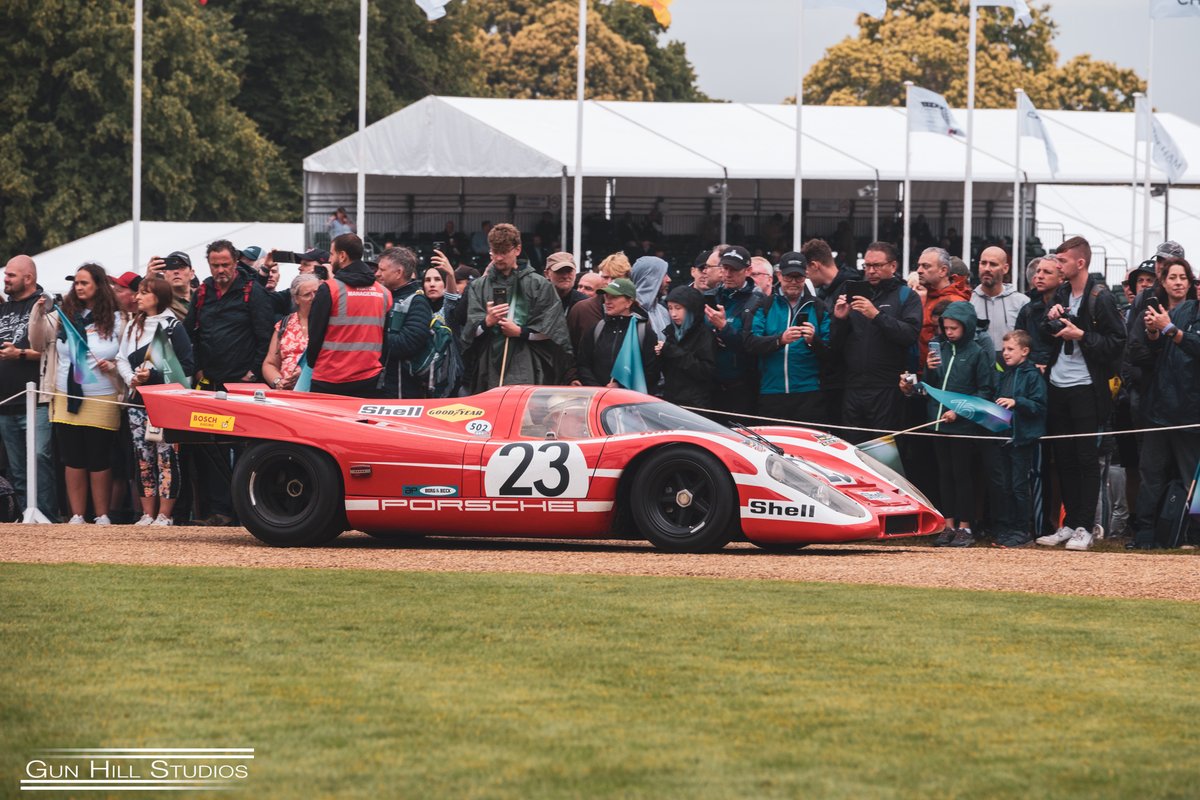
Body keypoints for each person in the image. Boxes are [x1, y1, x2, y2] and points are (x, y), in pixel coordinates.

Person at [1034, 236, 1126, 551]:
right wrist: (1050, 319)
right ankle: (1070, 523)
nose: (1058, 266)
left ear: (1080, 262)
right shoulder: (1061, 292)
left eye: (1062, 261)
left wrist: (1082, 335)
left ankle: (1085, 526)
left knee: (1086, 458)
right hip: (1058, 385)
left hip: (1087, 388)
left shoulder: (1101, 297)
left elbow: (1117, 343)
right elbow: (1045, 334)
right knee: (1064, 459)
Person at [184, 239, 276, 526]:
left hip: (243, 387)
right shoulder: (203, 292)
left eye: (225, 264)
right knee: (214, 449)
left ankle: (249, 511)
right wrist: (198, 369)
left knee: (246, 449)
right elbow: (189, 334)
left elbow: (265, 336)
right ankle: (221, 511)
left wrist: (253, 372)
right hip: (211, 385)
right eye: (215, 265)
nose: (220, 270)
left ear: (235, 262)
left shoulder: (252, 292)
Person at [29, 264, 126, 525]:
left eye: (85, 283)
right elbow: (36, 343)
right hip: (65, 394)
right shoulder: (63, 315)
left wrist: (114, 366)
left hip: (102, 395)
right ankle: (77, 515)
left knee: (99, 457)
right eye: (77, 283)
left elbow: (126, 355)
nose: (79, 287)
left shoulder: (117, 319)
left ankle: (102, 515)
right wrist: (38, 313)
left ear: (99, 285)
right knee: (72, 458)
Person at [901, 301, 994, 547]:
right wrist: (925, 374)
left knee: (962, 475)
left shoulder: (977, 353)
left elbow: (985, 391)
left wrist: (959, 412)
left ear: (967, 326)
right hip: (937, 423)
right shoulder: (939, 349)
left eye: (954, 328)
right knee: (944, 475)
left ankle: (966, 527)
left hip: (962, 427)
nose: (949, 332)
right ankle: (949, 524)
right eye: (946, 327)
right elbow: (929, 388)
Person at [1127, 257, 1200, 549]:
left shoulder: (1182, 314)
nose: (1179, 282)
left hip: (1191, 411)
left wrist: (1169, 329)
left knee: (1192, 478)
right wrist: (1153, 332)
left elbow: (1192, 344)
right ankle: (1144, 534)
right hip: (1158, 408)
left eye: (1184, 277)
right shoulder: (1177, 309)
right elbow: (1150, 351)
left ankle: (1194, 535)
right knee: (1150, 475)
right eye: (1173, 277)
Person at [116, 276, 194, 526]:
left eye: (143, 293)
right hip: (138, 401)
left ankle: (165, 514)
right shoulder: (132, 325)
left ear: (158, 297)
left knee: (166, 456)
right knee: (142, 457)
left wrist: (153, 376)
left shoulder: (173, 326)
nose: (137, 297)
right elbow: (121, 358)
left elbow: (187, 366)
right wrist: (131, 379)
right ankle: (147, 513)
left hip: (165, 401)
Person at [461, 223, 572, 391]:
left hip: (527, 363)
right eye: (495, 252)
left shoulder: (539, 285)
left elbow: (554, 330)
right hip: (488, 366)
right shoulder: (479, 286)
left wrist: (520, 332)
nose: (499, 258)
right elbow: (469, 332)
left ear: (517, 250)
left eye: (504, 252)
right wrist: (487, 321)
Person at [830, 241, 922, 442]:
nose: (871, 271)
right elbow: (835, 345)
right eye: (867, 266)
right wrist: (839, 320)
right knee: (853, 447)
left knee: (884, 450)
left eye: (877, 266)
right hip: (854, 387)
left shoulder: (907, 296)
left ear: (893, 266)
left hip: (888, 388)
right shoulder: (853, 294)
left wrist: (877, 316)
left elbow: (910, 335)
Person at [0, 255, 57, 519]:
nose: (5, 279)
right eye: (6, 274)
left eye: (11, 275)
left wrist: (19, 354)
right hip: (5, 400)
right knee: (17, 468)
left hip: (37, 400)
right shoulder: (4, 309)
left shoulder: (46, 305)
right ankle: (26, 517)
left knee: (40, 458)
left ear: (28, 278)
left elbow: (50, 350)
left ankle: (46, 516)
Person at [744, 253, 830, 424]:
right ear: (779, 276)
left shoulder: (819, 307)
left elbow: (831, 352)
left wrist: (813, 341)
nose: (793, 282)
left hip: (809, 392)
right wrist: (780, 340)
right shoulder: (764, 305)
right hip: (771, 391)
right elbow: (750, 343)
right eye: (788, 277)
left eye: (798, 277)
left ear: (806, 276)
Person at [305, 234, 392, 398]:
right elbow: (385, 338)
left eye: (332, 254)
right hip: (369, 379)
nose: (329, 260)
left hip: (328, 379)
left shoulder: (329, 289)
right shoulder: (384, 293)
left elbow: (315, 334)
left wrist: (312, 362)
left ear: (342, 256)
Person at [989, 330, 1047, 547]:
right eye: (1004, 349)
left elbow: (1039, 406)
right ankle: (1009, 528)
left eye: (1010, 349)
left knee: (1019, 486)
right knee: (1006, 486)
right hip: (1004, 438)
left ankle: (1023, 530)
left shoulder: (1032, 375)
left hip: (1023, 439)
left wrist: (1017, 402)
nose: (1005, 353)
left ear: (1025, 351)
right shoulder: (1005, 374)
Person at [704, 245, 766, 415]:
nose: (728, 274)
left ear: (748, 271)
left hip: (742, 386)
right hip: (711, 385)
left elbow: (753, 345)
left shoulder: (758, 300)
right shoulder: (710, 296)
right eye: (725, 268)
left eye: (734, 269)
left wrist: (724, 329)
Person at [576, 278, 657, 391]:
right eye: (606, 296)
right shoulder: (597, 329)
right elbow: (583, 365)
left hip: (631, 399)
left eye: (614, 297)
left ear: (629, 302)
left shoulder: (643, 331)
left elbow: (652, 372)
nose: (608, 301)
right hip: (599, 397)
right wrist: (599, 389)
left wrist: (621, 387)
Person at [372, 246, 430, 399]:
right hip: (381, 384)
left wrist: (372, 335)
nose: (377, 274)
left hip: (402, 391)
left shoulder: (417, 301)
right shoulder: (382, 297)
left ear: (398, 273)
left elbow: (408, 343)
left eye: (382, 270)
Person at [655, 286, 715, 408]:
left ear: (691, 309)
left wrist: (672, 351)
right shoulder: (671, 331)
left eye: (678, 308)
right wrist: (660, 354)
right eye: (670, 308)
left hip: (695, 404)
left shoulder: (704, 335)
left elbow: (705, 371)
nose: (673, 314)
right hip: (671, 401)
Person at [261, 274, 320, 391]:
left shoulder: (328, 324)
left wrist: (306, 373)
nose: (313, 297)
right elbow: (269, 364)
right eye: (307, 294)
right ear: (296, 299)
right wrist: (278, 382)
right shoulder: (285, 324)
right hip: (287, 393)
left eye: (317, 293)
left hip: (315, 390)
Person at [915, 246, 972, 368]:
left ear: (943, 271)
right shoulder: (924, 297)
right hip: (921, 372)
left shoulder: (956, 303)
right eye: (919, 265)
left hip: (943, 374)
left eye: (926, 266)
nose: (919, 270)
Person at [971, 245, 1029, 355]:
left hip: (1011, 364)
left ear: (1005, 268)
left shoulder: (1022, 303)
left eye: (993, 264)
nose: (987, 268)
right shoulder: (968, 301)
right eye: (983, 263)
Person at [567, 253, 630, 351]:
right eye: (605, 277)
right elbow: (568, 347)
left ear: (626, 279)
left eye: (614, 278)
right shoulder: (582, 309)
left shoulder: (638, 312)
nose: (609, 282)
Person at [631, 256, 670, 342]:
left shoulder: (664, 312)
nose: (669, 279)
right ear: (649, 279)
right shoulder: (627, 313)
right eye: (664, 275)